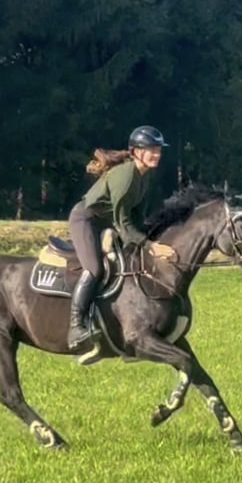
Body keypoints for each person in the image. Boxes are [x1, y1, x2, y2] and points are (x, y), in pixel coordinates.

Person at [66, 125, 169, 349]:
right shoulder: (126, 174)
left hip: (106, 222)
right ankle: (76, 327)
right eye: (152, 149)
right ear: (136, 152)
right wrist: (149, 246)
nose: (157, 154)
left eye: (159, 150)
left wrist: (150, 238)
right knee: (95, 269)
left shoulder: (145, 176)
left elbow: (137, 217)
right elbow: (122, 221)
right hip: (86, 220)